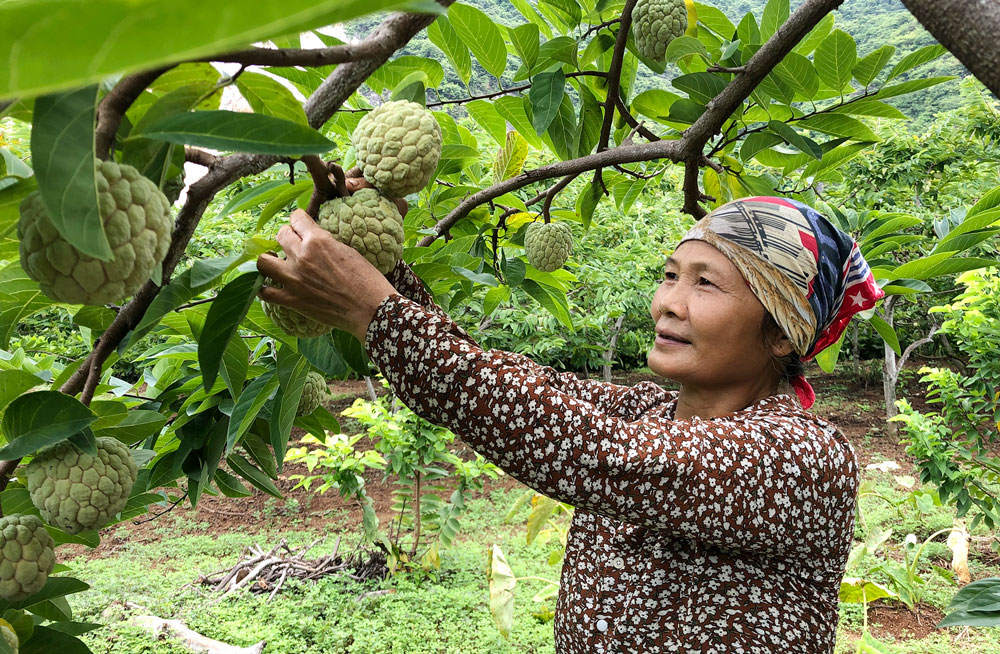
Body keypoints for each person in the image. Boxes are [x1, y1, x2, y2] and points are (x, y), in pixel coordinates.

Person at [257, 191, 884, 653]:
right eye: (670, 275)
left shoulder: (801, 456)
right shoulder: (646, 411)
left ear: (779, 333)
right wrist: (374, 244)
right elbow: (508, 387)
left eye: (706, 284)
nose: (668, 302)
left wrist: (376, 309)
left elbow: (582, 447)